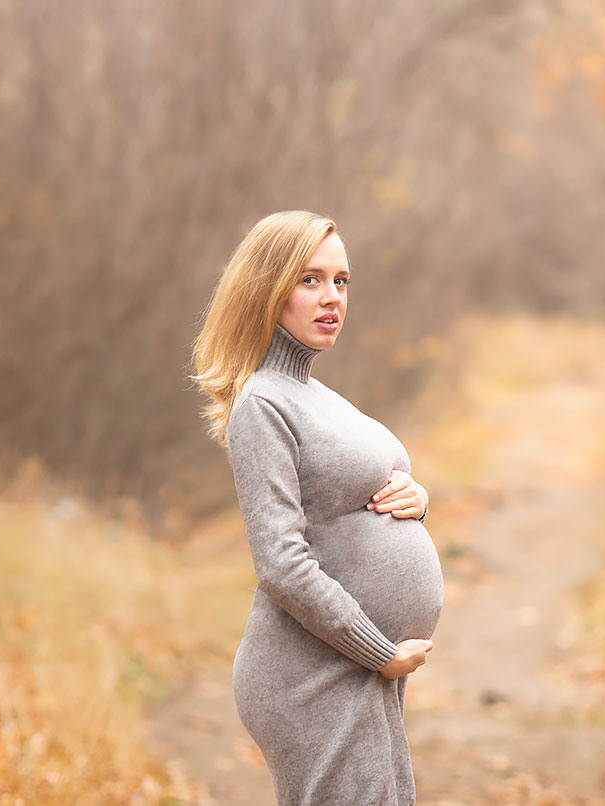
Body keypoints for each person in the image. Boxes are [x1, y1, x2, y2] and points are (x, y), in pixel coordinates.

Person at [190, 211, 444, 805]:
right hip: (308, 673)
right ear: (266, 289)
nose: (332, 298)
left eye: (342, 281)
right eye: (310, 280)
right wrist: (378, 652)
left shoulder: (314, 392)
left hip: (349, 665)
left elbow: (354, 495)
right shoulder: (263, 403)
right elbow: (280, 562)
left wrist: (416, 499)